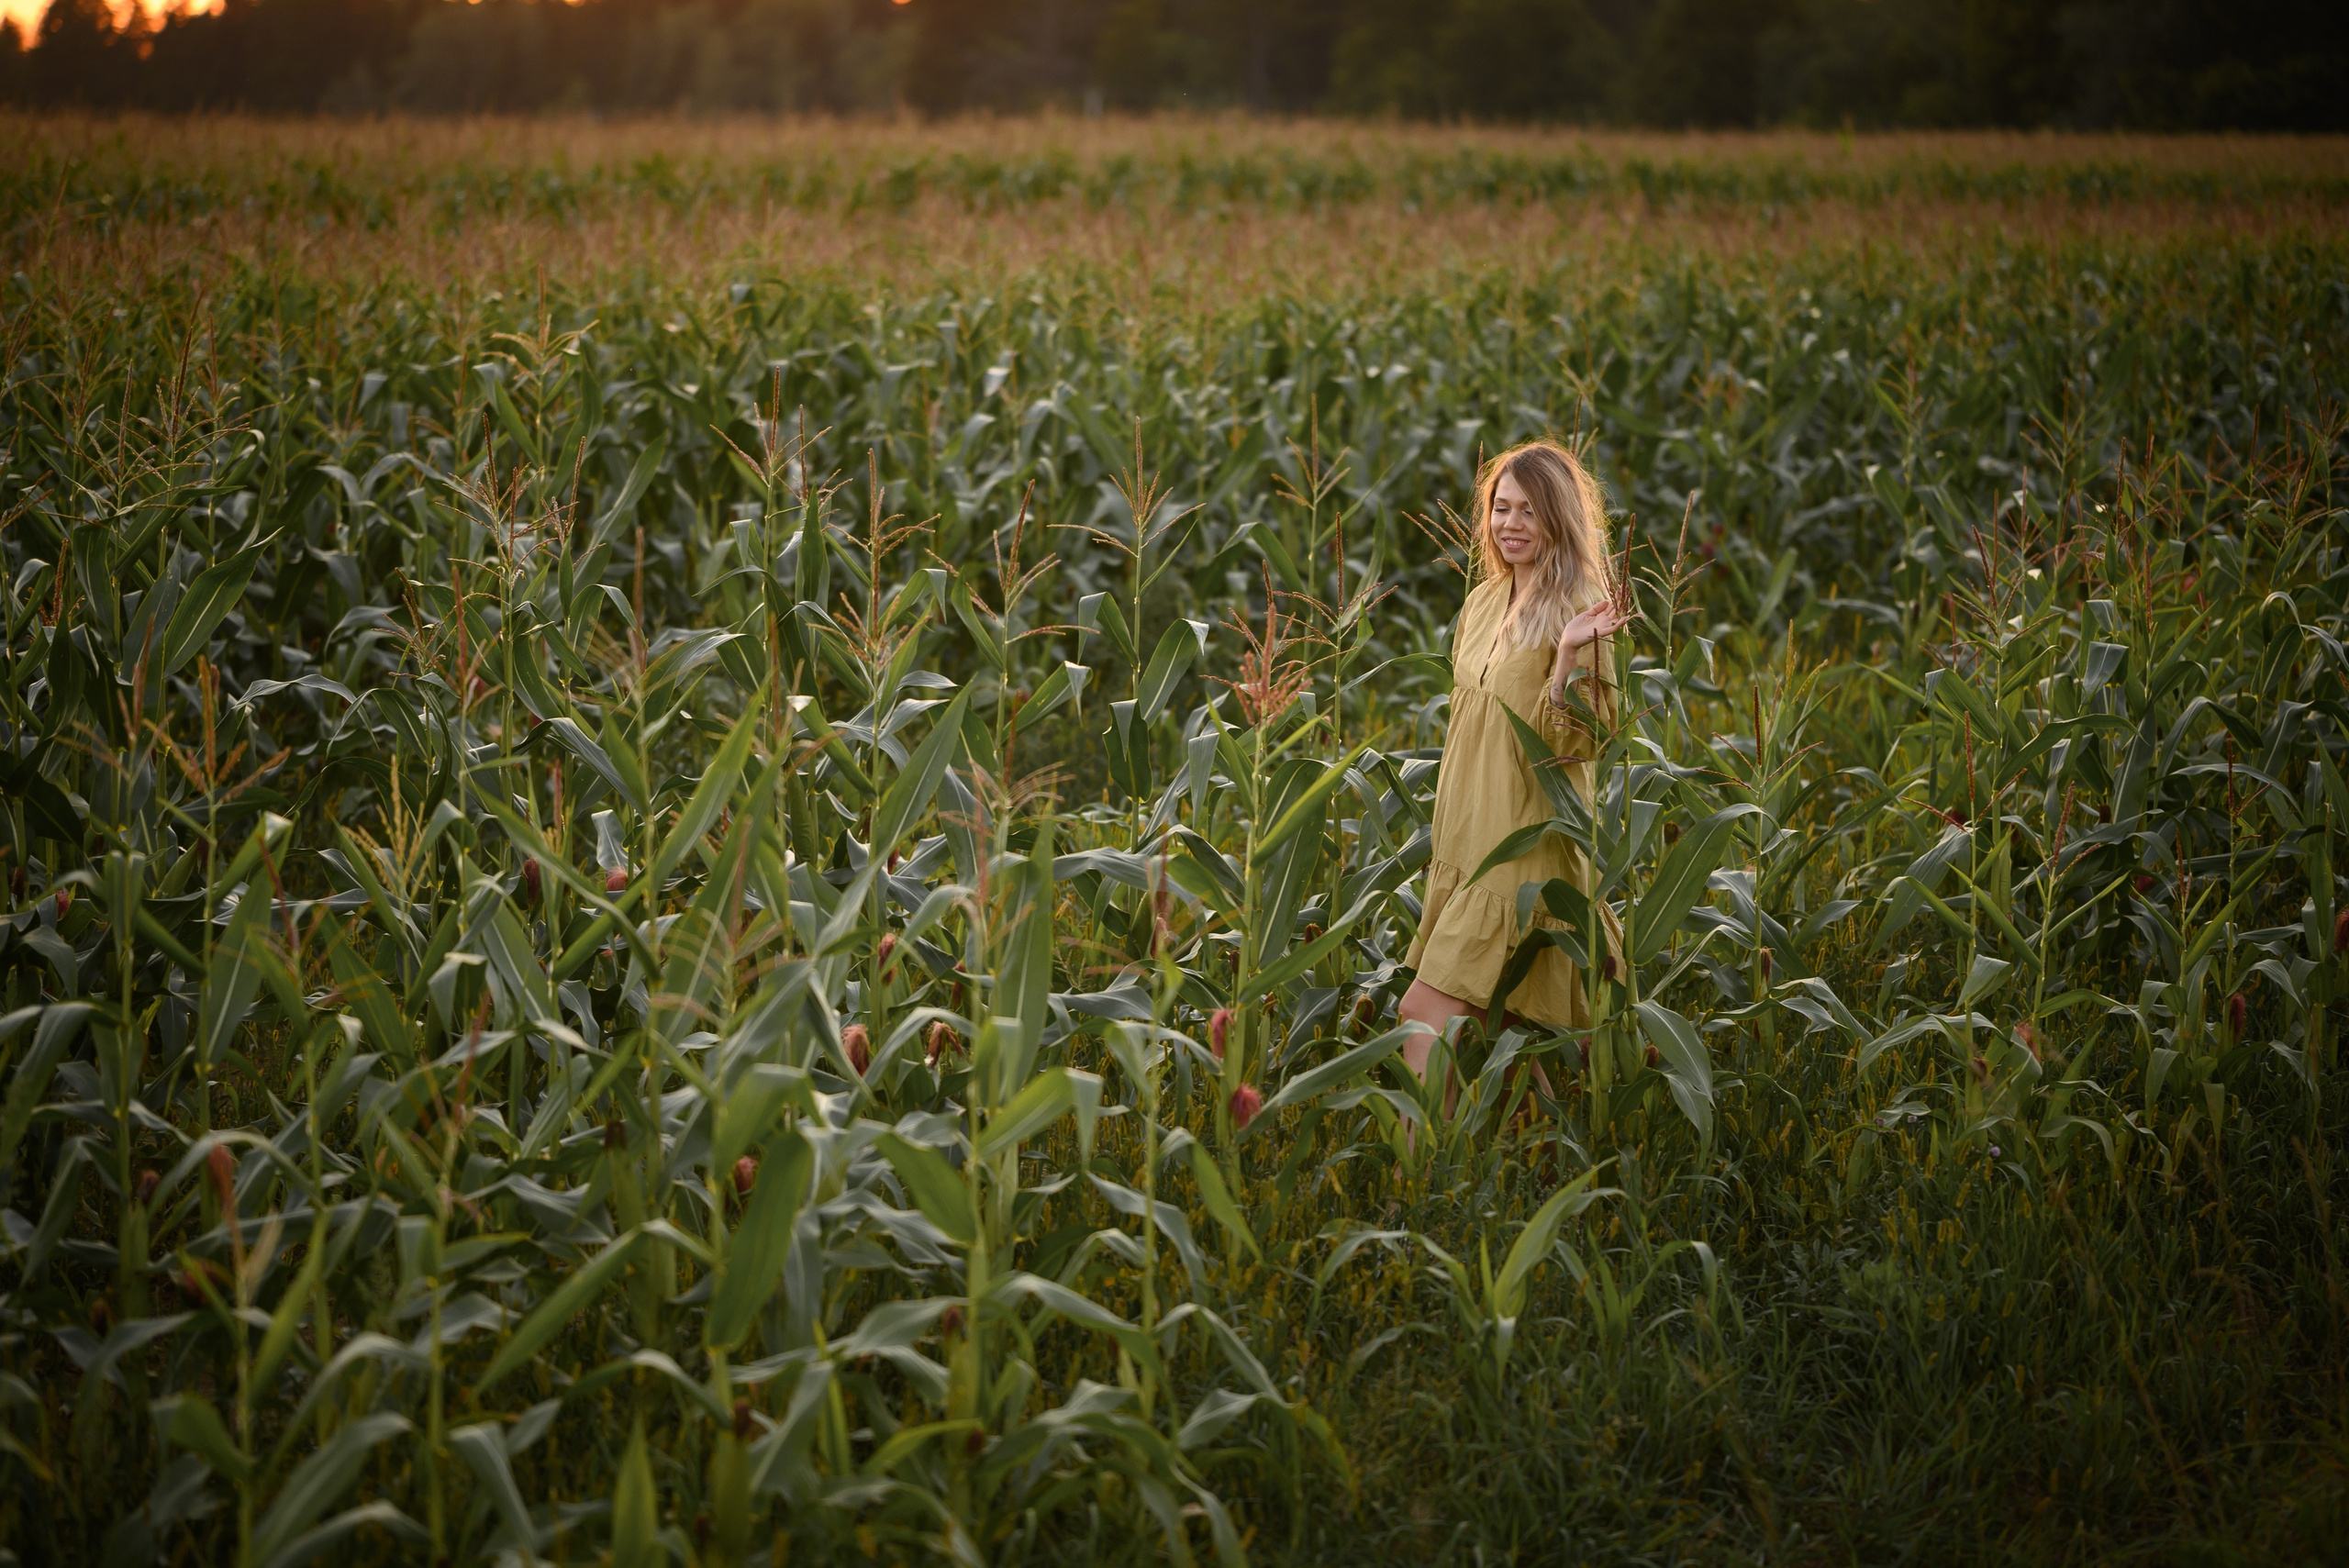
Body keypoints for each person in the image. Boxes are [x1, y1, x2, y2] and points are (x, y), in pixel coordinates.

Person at [1397, 439, 1633, 1095]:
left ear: (1558, 516)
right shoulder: (1483, 601)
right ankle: (1530, 1148)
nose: (1511, 524)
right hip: (1468, 839)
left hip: (1522, 846)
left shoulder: (1582, 609)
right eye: (1501, 508)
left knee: (1423, 1015)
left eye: (1529, 510)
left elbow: (1582, 743)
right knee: (1498, 1029)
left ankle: (1424, 1159)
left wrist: (1566, 661)